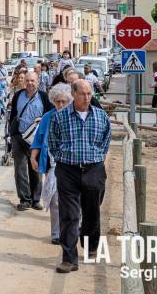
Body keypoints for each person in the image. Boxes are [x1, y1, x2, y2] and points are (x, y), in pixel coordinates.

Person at [48, 80, 112, 274]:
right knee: (69, 215)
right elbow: (53, 141)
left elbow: (106, 140)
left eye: (89, 94)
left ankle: (91, 244)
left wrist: (96, 157)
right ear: (73, 94)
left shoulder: (101, 116)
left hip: (94, 169)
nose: (87, 97)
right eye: (83, 94)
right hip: (68, 170)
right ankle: (68, 259)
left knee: (92, 210)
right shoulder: (60, 117)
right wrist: (64, 157)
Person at [30, 83, 72, 245]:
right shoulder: (48, 117)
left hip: (71, 164)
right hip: (53, 164)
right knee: (54, 200)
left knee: (70, 200)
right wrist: (33, 157)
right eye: (57, 101)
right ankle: (56, 234)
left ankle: (70, 230)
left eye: (63, 101)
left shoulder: (73, 115)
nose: (60, 104)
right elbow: (38, 139)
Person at [8, 71, 51, 211]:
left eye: (33, 81)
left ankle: (35, 199)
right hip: (19, 137)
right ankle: (24, 199)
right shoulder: (18, 96)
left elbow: (50, 114)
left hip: (36, 140)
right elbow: (13, 114)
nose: (30, 83)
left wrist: (42, 118)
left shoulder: (44, 97)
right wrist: (11, 134)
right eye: (28, 81)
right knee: (20, 169)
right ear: (24, 82)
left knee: (36, 169)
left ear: (38, 82)